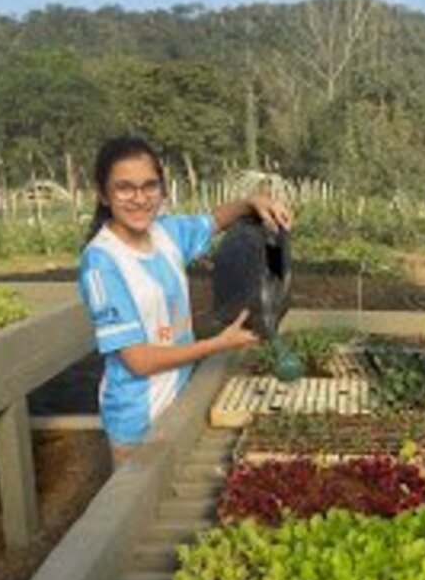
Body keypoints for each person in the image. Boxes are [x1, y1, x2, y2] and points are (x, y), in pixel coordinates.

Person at [78, 135, 292, 460]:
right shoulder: (102, 263)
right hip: (139, 421)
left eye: (150, 186)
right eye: (125, 188)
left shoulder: (166, 233)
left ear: (162, 188)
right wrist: (217, 344)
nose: (140, 198)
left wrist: (252, 203)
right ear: (103, 193)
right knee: (140, 493)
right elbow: (138, 361)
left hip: (180, 401)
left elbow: (215, 220)